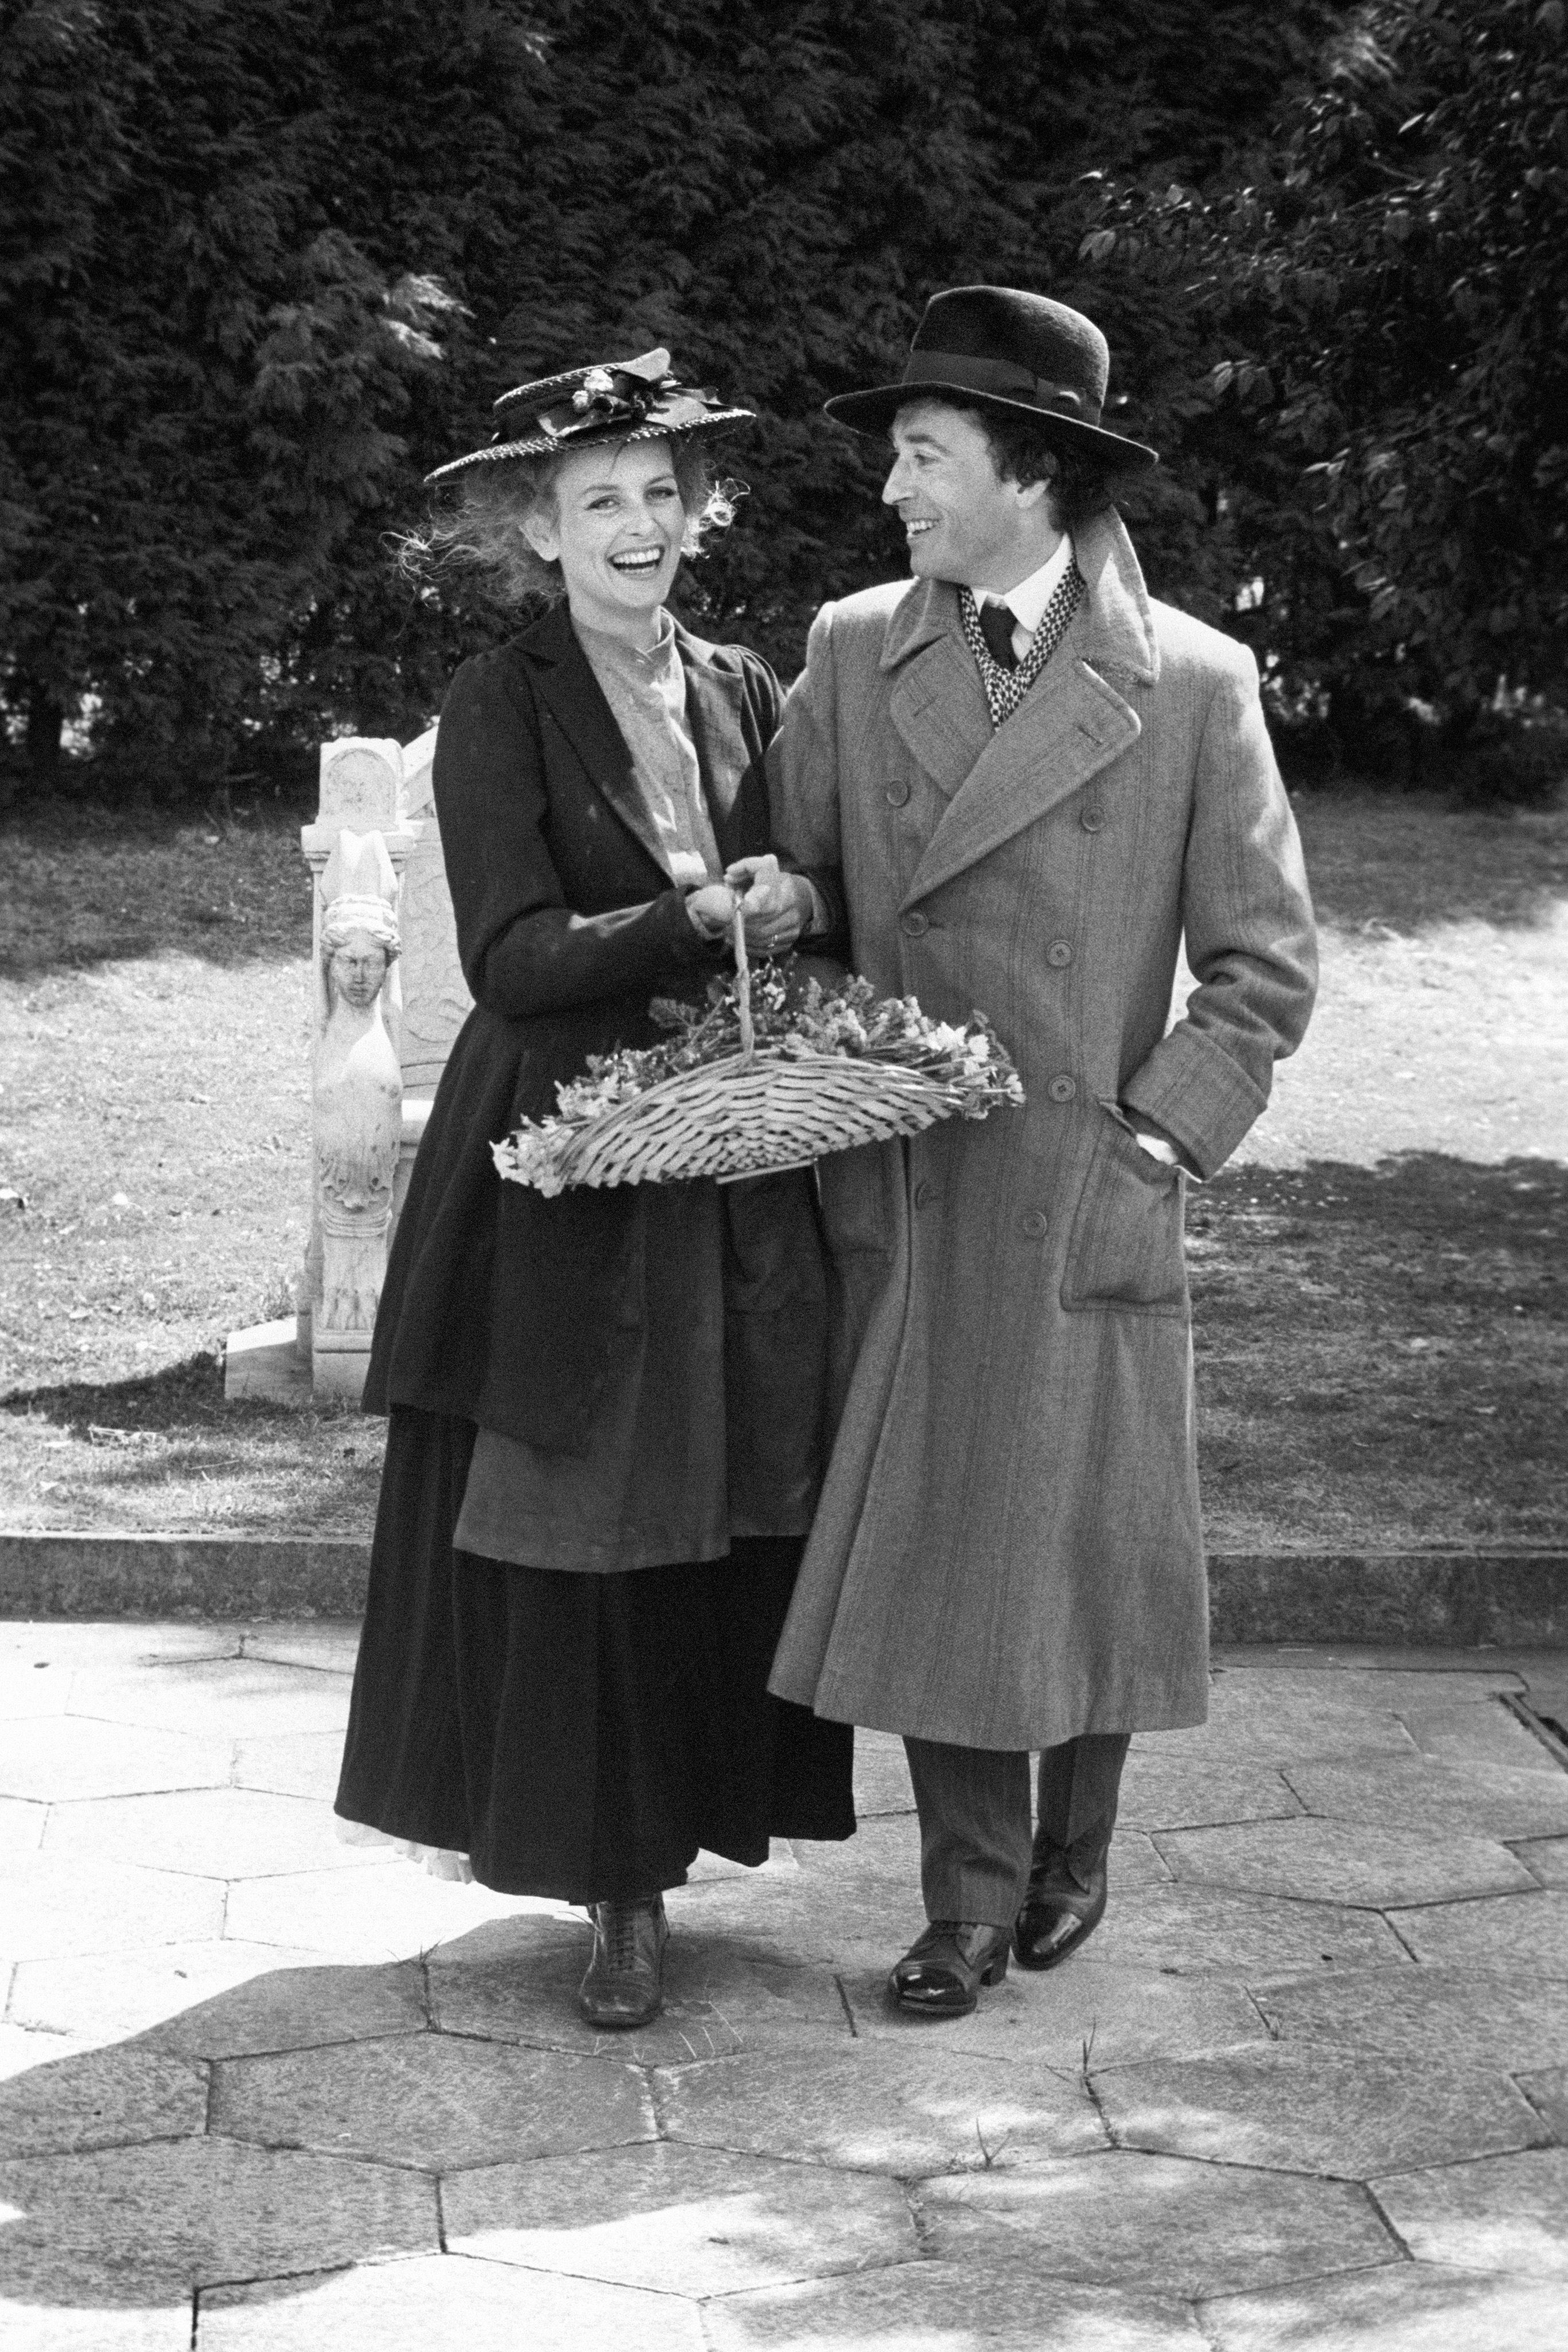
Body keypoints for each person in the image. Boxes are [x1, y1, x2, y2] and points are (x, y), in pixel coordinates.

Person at [740, 287, 1318, 2016]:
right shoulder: (856, 649)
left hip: (1083, 1175)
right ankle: (968, 1904)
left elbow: (1263, 965)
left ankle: (1078, 1846)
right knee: (952, 1540)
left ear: (1033, 474)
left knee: (1084, 1532)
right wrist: (792, 923)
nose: (893, 490)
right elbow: (811, 876)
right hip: (913, 1175)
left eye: (925, 456)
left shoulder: (1194, 680)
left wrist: (1156, 1140)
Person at [334, 347, 855, 2030]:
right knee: (595, 1520)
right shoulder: (503, 698)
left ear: (696, 512)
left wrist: (796, 899)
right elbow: (509, 958)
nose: (640, 526)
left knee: (731, 1501)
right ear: (540, 533)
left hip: (729, 1158)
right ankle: (614, 1892)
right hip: (564, 1165)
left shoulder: (744, 683)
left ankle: (693, 1835)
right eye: (598, 501)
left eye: (660, 495)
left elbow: (817, 881)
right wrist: (683, 922)